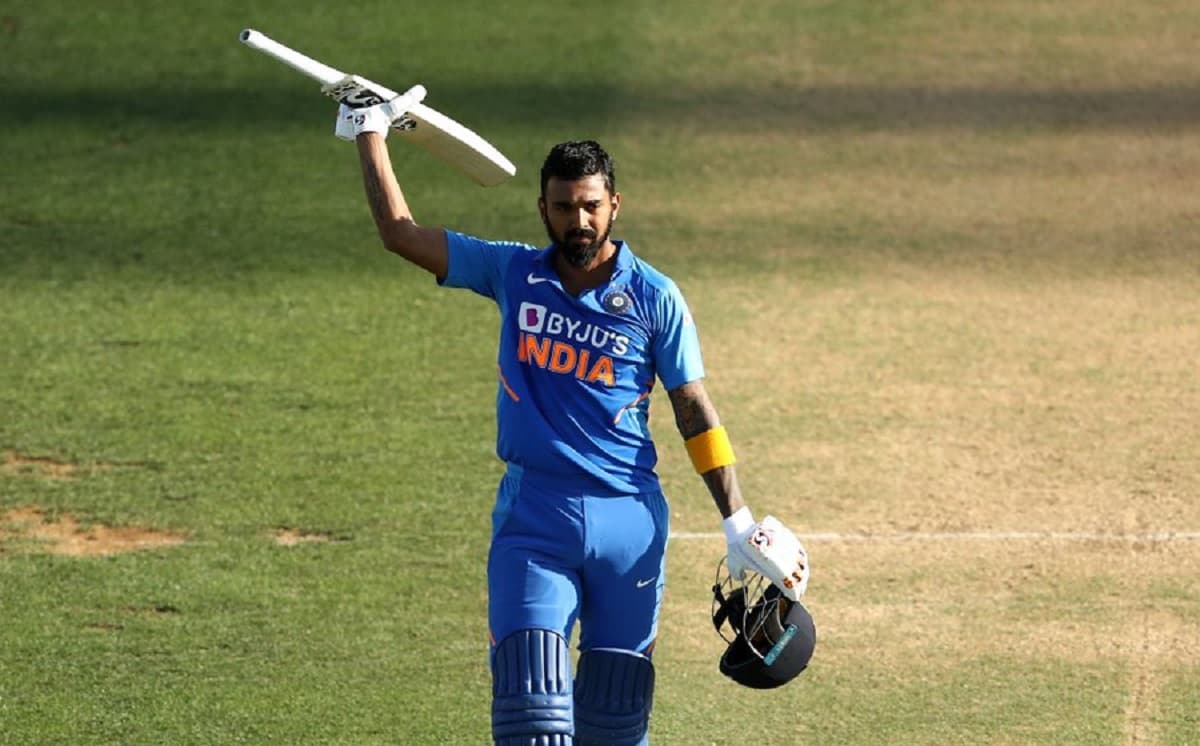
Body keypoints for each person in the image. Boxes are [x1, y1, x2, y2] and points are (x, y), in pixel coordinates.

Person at [334, 102, 808, 745]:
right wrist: (370, 133)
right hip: (536, 520)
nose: (578, 221)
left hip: (629, 524)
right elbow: (400, 234)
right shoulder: (512, 272)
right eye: (563, 207)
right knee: (531, 713)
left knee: (615, 722)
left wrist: (737, 520)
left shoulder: (655, 298)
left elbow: (693, 408)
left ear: (615, 205)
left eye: (590, 206)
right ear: (542, 209)